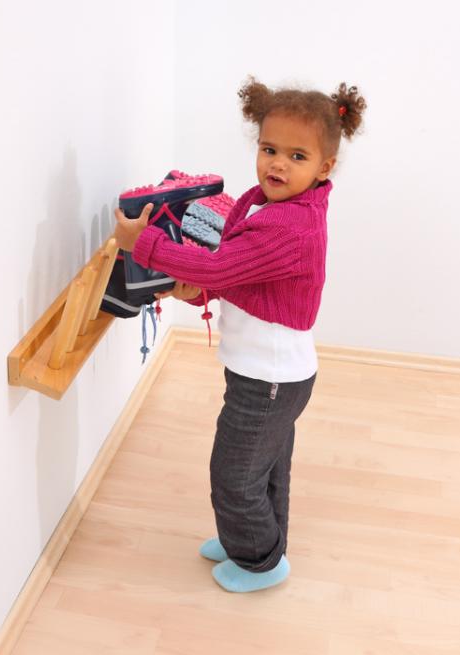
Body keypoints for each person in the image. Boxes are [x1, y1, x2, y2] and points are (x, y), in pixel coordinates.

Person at [114, 77, 367, 593]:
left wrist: (144, 245)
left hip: (268, 378)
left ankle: (260, 562)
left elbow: (220, 265)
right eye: (269, 149)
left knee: (234, 474)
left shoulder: (289, 226)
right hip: (270, 371)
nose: (278, 164)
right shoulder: (262, 203)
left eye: (297, 156)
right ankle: (251, 541)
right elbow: (240, 275)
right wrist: (198, 294)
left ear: (324, 168)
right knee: (265, 466)